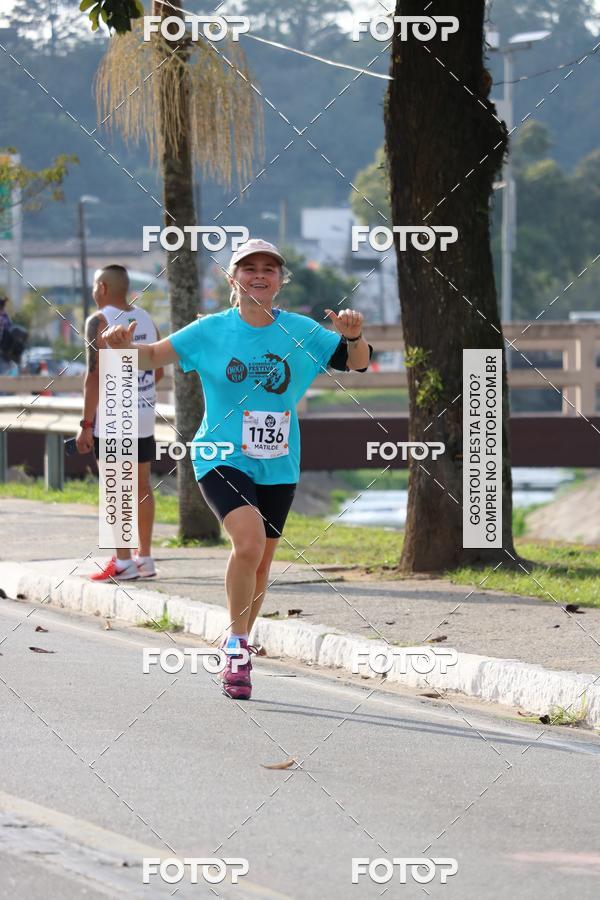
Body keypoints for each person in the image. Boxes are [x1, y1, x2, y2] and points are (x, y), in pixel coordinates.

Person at [104, 239, 372, 699]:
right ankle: (235, 645)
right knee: (246, 543)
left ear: (280, 280)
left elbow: (357, 363)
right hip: (219, 454)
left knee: (262, 563)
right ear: (234, 279)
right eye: (250, 268)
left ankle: (242, 642)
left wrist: (352, 336)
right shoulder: (209, 330)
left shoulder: (302, 331)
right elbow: (151, 357)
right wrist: (120, 346)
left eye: (270, 268)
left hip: (279, 461)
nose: (260, 275)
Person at [75, 264, 164, 581]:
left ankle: (123, 561)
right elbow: (159, 369)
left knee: (115, 488)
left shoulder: (97, 321)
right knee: (141, 486)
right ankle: (146, 558)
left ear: (101, 287)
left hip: (113, 418)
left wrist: (86, 424)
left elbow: (93, 376)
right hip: (143, 414)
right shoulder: (147, 319)